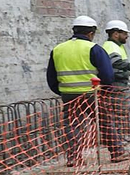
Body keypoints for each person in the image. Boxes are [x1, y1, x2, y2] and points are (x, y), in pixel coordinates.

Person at [46, 16, 116, 166]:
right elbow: (108, 75)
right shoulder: (94, 49)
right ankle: (117, 152)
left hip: (69, 95)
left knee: (72, 126)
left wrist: (63, 92)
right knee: (104, 122)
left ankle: (74, 158)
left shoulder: (58, 49)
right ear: (91, 33)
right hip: (93, 94)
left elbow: (51, 77)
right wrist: (106, 90)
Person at [99, 20, 130, 160]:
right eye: (124, 33)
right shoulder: (111, 46)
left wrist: (128, 73)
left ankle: (120, 141)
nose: (127, 36)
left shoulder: (116, 46)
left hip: (118, 83)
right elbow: (115, 63)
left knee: (119, 114)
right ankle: (119, 144)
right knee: (118, 114)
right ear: (116, 33)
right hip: (117, 86)